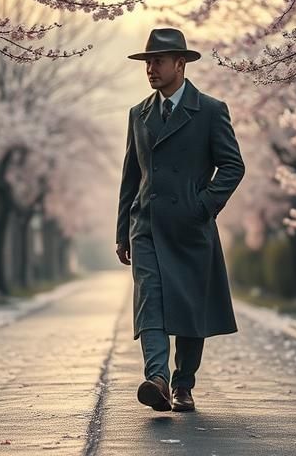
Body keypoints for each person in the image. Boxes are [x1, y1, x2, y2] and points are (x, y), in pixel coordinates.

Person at [115, 27, 245, 413]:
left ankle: (183, 383)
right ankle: (157, 378)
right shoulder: (138, 114)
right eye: (147, 62)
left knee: (189, 308)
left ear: (181, 64)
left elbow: (233, 166)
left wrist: (202, 206)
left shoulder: (210, 110)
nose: (151, 68)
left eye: (158, 61)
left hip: (190, 227)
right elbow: (130, 176)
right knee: (149, 301)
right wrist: (122, 230)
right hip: (147, 227)